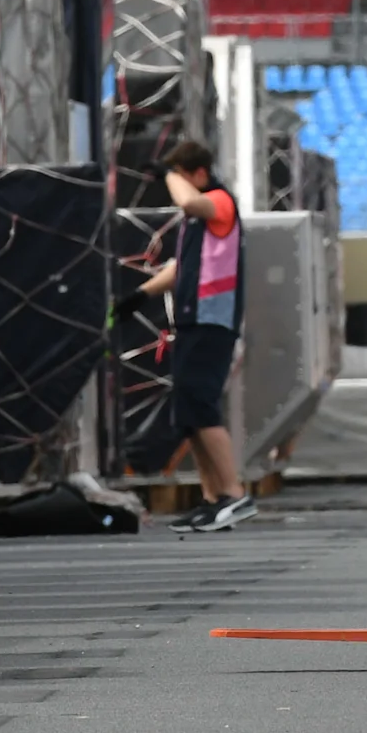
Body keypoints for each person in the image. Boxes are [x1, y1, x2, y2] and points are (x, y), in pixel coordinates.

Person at [136, 138, 256, 531]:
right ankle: (213, 497)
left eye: (182, 177)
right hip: (191, 319)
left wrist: (171, 174)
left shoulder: (219, 201)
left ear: (198, 175)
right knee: (187, 413)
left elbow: (189, 201)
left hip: (212, 319)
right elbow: (181, 268)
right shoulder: (196, 224)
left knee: (202, 405)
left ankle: (234, 493)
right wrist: (137, 297)